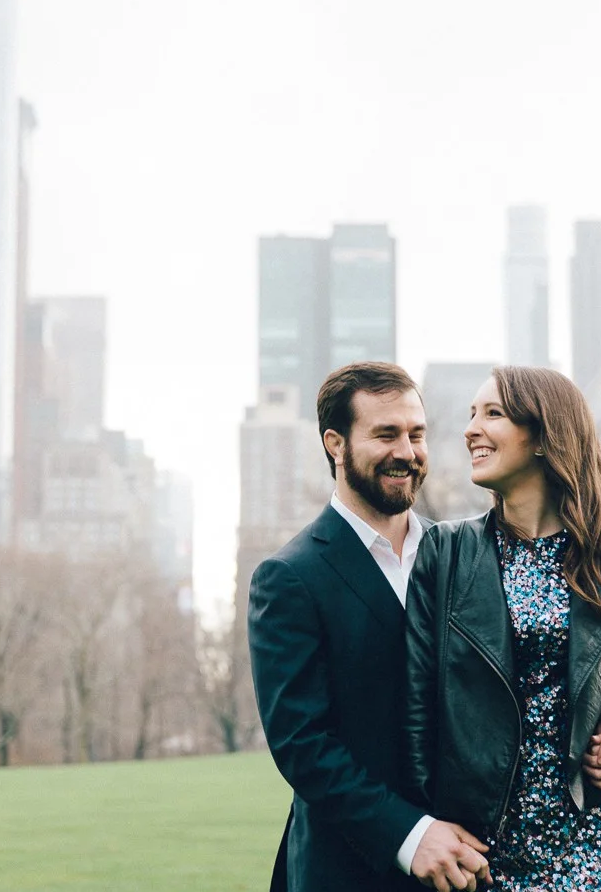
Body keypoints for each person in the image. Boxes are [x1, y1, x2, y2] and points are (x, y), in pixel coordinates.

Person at [405, 365, 601, 892]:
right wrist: (427, 822)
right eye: (471, 414)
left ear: (543, 437)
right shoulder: (445, 553)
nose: (471, 428)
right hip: (478, 849)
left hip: (592, 843)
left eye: (492, 413)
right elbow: (416, 706)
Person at [247, 362, 491, 891]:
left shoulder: (462, 555)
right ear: (335, 444)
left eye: (416, 434)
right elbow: (302, 746)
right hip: (348, 872)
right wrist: (410, 835)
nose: (406, 451)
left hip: (467, 866)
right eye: (386, 434)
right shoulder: (289, 578)